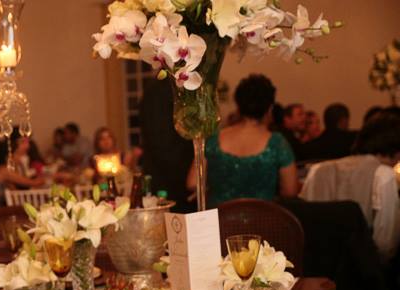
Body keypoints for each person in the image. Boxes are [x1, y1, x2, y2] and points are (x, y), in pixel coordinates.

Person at [188, 74, 299, 207]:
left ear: (238, 106)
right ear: (270, 108)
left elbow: (192, 183)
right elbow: (290, 191)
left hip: (220, 218)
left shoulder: (214, 139)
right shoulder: (278, 143)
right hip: (262, 218)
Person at [301, 111, 400, 261]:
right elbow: (386, 243)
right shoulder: (384, 175)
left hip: (314, 262)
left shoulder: (318, 170)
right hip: (362, 267)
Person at [139, 77, 194, 212]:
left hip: (172, 176)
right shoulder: (161, 90)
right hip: (172, 180)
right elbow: (161, 141)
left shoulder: (157, 88)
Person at [0, 130, 47, 216]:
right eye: (23, 142)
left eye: (27, 142)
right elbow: (34, 183)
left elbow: (16, 192)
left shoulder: (14, 166)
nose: (27, 146)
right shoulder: (4, 170)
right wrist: (49, 177)